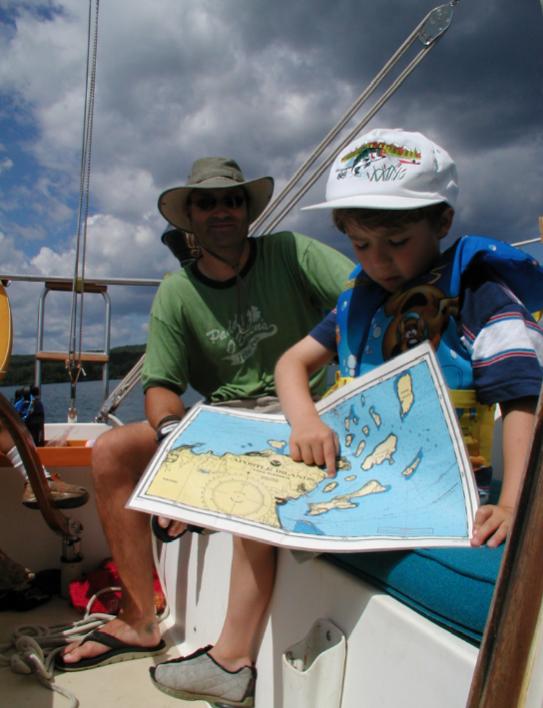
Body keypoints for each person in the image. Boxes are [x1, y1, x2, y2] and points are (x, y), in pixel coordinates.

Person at [57, 156, 353, 706]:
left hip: (302, 410)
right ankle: (140, 619)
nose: (222, 210)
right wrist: (178, 444)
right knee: (113, 449)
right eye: (208, 202)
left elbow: (361, 294)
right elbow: (161, 387)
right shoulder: (177, 291)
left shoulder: (292, 252)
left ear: (248, 210)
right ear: (189, 217)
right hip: (221, 422)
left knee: (249, 480)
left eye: (233, 200)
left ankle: (231, 658)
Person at [275, 128, 543, 549]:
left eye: (397, 242)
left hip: (445, 497)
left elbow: (521, 396)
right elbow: (291, 363)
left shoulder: (478, 296)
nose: (378, 261)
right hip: (357, 479)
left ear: (443, 222)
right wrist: (306, 421)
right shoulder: (358, 302)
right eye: (360, 244)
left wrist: (512, 506)